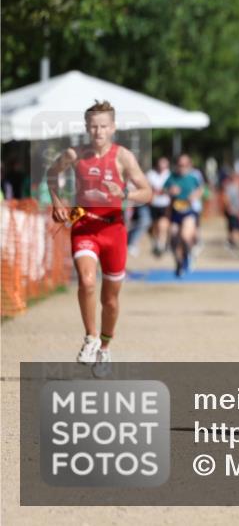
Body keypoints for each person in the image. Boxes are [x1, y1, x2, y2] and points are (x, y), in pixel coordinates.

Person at [46, 100, 152, 365]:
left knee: (111, 300)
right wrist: (57, 200)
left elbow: (148, 192)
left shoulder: (123, 157)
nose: (98, 132)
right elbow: (51, 174)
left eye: (104, 126)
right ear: (86, 127)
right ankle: (91, 336)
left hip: (113, 230)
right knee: (87, 281)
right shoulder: (75, 154)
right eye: (93, 126)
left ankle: (105, 346)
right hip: (84, 226)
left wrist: (125, 193)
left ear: (113, 128)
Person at [165, 154, 203, 277]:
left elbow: (203, 190)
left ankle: (188, 255)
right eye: (180, 165)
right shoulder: (171, 177)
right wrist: (170, 191)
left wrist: (195, 195)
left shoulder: (193, 177)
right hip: (175, 213)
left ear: (189, 165)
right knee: (173, 238)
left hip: (188, 212)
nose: (182, 167)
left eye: (185, 165)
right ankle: (178, 262)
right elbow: (162, 189)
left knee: (185, 236)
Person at [146, 156, 172, 257]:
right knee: (154, 226)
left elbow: (171, 189)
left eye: (164, 164)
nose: (162, 166)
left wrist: (163, 191)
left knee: (163, 225)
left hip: (165, 204)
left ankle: (161, 245)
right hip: (153, 204)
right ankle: (156, 242)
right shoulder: (151, 174)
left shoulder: (170, 175)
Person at [220, 168, 239, 252]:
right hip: (232, 211)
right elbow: (225, 198)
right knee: (234, 228)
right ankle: (232, 243)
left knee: (236, 228)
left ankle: (231, 243)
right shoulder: (229, 187)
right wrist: (229, 208)